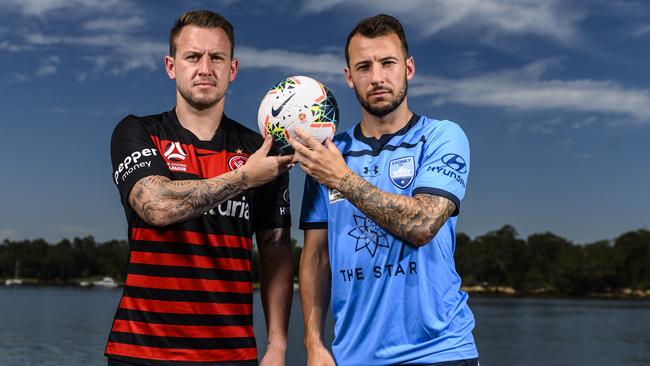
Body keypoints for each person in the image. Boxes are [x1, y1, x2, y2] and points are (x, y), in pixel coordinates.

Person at [107, 10, 294, 366]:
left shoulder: (261, 149)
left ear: (232, 69)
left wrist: (278, 346)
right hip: (141, 352)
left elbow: (275, 248)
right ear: (171, 66)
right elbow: (157, 207)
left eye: (217, 58)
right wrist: (242, 179)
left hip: (230, 354)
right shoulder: (137, 132)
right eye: (193, 56)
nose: (205, 68)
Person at [292, 14, 479, 366]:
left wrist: (342, 179)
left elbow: (422, 224)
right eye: (363, 66)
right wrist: (314, 343)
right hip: (353, 356)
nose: (376, 77)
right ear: (349, 78)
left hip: (440, 352)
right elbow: (316, 257)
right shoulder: (328, 152)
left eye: (387, 63)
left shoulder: (441, 136)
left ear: (408, 68)